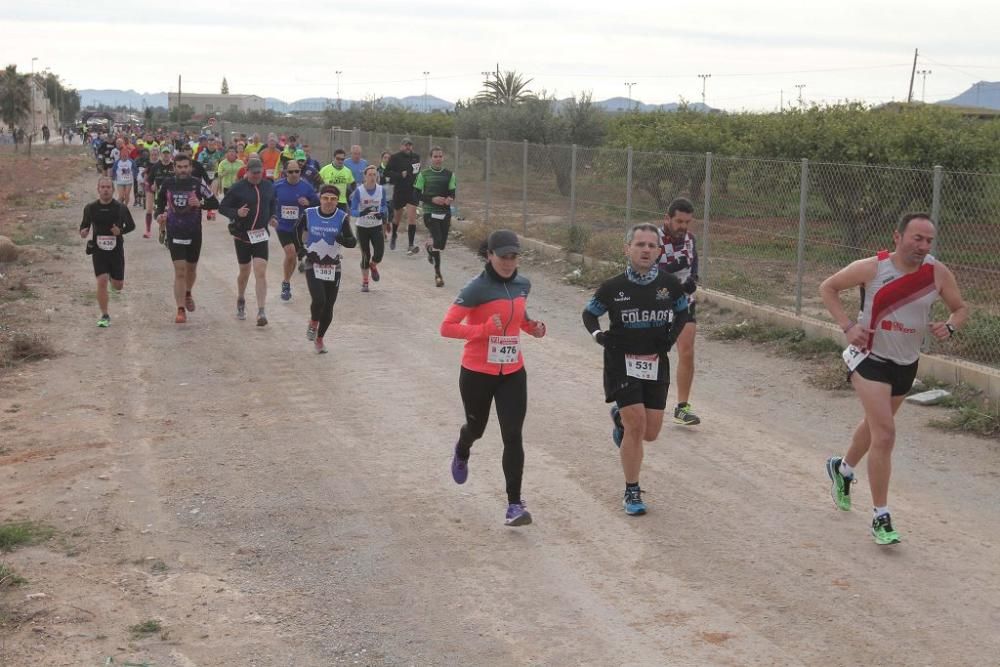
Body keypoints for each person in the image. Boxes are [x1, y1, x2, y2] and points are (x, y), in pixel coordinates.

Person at [819, 213, 967, 545]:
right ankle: (880, 517)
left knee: (875, 427)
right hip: (870, 358)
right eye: (917, 238)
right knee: (885, 434)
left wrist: (951, 326)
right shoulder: (873, 268)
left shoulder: (937, 273)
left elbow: (960, 308)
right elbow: (827, 288)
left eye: (929, 241)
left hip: (906, 364)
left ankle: (842, 469)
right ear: (897, 237)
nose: (923, 246)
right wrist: (848, 326)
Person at [582, 223, 690, 516]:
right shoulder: (613, 287)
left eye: (651, 246)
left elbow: (683, 310)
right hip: (621, 362)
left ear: (659, 251)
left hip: (655, 362)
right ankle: (631, 490)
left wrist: (672, 335)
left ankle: (620, 420)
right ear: (627, 249)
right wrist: (598, 337)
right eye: (639, 244)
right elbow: (589, 314)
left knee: (651, 433)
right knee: (636, 424)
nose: (645, 250)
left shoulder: (669, 285)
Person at [440, 230, 546, 526]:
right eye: (503, 256)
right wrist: (483, 329)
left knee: (513, 435)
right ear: (489, 255)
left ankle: (514, 504)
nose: (509, 262)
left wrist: (534, 327)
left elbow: (519, 319)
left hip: (512, 371)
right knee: (477, 427)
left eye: (514, 256)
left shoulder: (523, 284)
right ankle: (463, 448)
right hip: (477, 372)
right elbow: (446, 327)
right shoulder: (477, 288)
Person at [155, 154, 219, 324]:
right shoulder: (168, 183)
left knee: (191, 269)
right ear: (174, 168)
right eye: (179, 167)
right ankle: (180, 309)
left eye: (185, 167)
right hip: (174, 231)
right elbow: (160, 201)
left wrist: (200, 204)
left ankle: (188, 292)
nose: (183, 170)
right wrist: (159, 215)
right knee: (180, 271)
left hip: (194, 232)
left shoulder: (198, 183)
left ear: (190, 167)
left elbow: (215, 203)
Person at [295, 185, 357, 353]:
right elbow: (296, 230)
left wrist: (342, 239)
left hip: (333, 266)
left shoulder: (342, 217)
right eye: (325, 198)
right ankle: (314, 323)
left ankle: (320, 339)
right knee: (319, 300)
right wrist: (300, 247)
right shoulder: (309, 213)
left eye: (333, 199)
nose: (329, 202)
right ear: (320, 198)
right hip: (313, 264)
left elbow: (352, 241)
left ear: (337, 201)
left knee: (329, 306)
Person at [656, 197, 702, 426]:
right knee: (651, 351)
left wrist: (693, 280)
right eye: (679, 221)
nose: (683, 226)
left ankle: (682, 407)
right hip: (656, 302)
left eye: (687, 222)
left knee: (687, 351)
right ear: (667, 218)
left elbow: (694, 267)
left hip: (684, 303)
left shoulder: (690, 240)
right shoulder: (651, 240)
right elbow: (652, 272)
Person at [219, 158, 277, 326]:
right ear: (247, 172)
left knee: (260, 272)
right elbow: (223, 207)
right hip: (242, 236)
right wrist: (237, 212)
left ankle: (261, 311)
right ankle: (241, 297)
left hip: (260, 236)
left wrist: (273, 216)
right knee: (244, 272)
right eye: (254, 173)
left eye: (260, 173)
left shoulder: (268, 186)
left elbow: (273, 203)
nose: (257, 176)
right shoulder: (238, 188)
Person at [79, 177, 136, 327]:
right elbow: (84, 226)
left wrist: (120, 231)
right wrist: (83, 232)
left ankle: (113, 278)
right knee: (101, 281)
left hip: (116, 250)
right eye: (102, 187)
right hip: (99, 250)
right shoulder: (90, 208)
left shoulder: (120, 208)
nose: (105, 190)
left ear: (113, 189)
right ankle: (104, 315)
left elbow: (131, 226)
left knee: (118, 286)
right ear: (98, 189)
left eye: (108, 187)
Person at [273, 160, 319, 301]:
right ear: (285, 172)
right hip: (282, 226)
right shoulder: (277, 186)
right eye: (290, 172)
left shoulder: (306, 187)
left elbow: (317, 204)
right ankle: (286, 284)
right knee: (291, 253)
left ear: (300, 171)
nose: (294, 174)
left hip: (298, 226)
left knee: (293, 256)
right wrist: (271, 216)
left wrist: (308, 203)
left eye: (297, 171)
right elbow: (268, 201)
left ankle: (287, 280)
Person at [414, 146, 456, 288]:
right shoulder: (423, 174)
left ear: (443, 158)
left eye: (440, 156)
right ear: (431, 158)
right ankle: (438, 275)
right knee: (437, 240)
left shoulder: (449, 174)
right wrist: (432, 199)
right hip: (429, 212)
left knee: (441, 244)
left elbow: (452, 192)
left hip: (445, 212)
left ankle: (429, 247)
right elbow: (416, 194)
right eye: (435, 156)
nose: (438, 159)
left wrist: (450, 198)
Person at [349, 165, 388, 292]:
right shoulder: (359, 191)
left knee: (379, 254)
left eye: (374, 174)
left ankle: (373, 265)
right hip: (362, 227)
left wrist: (382, 212)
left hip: (376, 226)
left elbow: (384, 206)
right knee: (366, 255)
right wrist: (362, 212)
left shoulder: (381, 190)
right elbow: (353, 211)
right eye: (370, 174)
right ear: (365, 176)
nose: (372, 177)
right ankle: (365, 282)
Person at [383, 138, 421, 252]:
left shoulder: (416, 157)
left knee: (412, 217)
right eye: (406, 145)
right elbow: (386, 173)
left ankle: (411, 244)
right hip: (400, 190)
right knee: (397, 217)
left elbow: (418, 172)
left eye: (410, 145)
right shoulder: (395, 157)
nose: (408, 147)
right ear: (401, 146)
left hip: (412, 191)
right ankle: (394, 235)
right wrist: (400, 175)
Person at [376, 150, 393, 239]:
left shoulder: (394, 170)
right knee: (383, 215)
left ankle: (388, 224)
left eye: (389, 158)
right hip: (382, 197)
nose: (387, 160)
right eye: (385, 158)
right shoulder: (378, 170)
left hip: (392, 197)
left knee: (390, 216)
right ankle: (383, 235)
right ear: (382, 159)